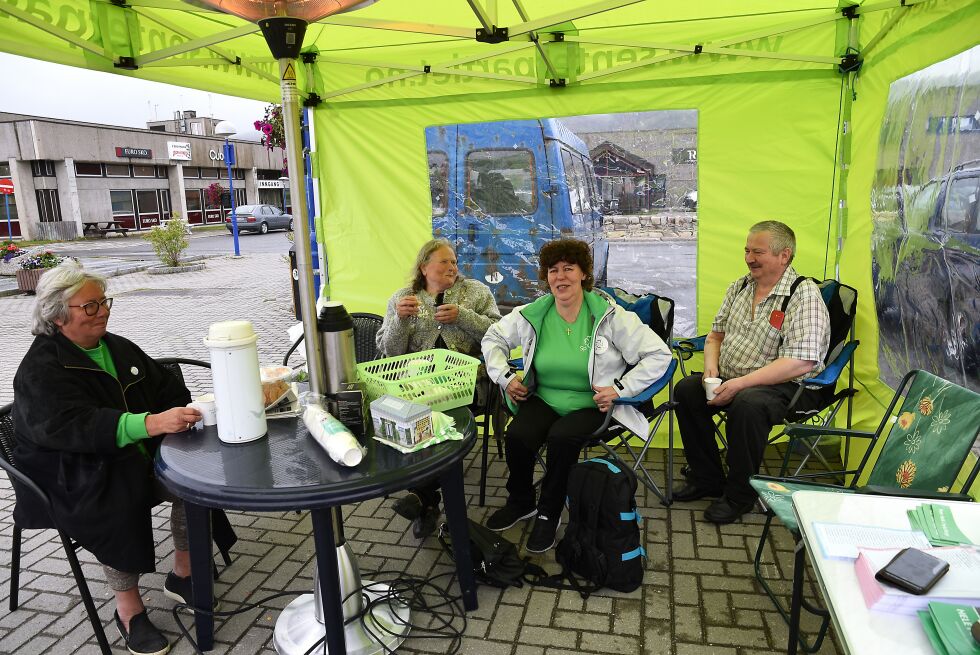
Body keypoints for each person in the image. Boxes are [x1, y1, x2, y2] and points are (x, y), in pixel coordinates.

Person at [12, 261, 233, 655]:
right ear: (57, 315)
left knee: (196, 476)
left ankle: (183, 573)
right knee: (115, 494)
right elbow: (73, 426)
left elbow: (166, 386)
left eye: (104, 302)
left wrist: (180, 416)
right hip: (69, 471)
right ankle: (128, 609)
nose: (104, 312)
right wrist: (150, 424)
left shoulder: (117, 347)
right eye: (91, 306)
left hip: (132, 455)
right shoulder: (40, 369)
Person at [481, 238, 672, 553]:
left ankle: (549, 512)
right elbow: (494, 336)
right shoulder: (534, 312)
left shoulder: (612, 317)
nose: (560, 277)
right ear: (546, 277)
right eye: (553, 270)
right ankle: (521, 502)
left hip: (594, 404)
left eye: (569, 269)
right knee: (518, 434)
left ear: (584, 274)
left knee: (561, 439)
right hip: (545, 397)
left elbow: (659, 355)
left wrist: (620, 389)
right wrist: (505, 376)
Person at [672, 220, 830, 524]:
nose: (748, 258)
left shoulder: (803, 295)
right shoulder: (741, 286)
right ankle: (707, 478)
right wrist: (710, 371)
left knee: (748, 404)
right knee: (688, 390)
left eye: (757, 252)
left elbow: (802, 362)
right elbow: (715, 335)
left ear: (784, 255)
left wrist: (740, 384)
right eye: (747, 250)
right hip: (736, 378)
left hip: (790, 387)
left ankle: (739, 496)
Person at [376, 238, 501, 538]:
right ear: (424, 266)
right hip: (417, 384)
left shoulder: (475, 292)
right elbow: (388, 351)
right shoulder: (404, 297)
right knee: (416, 416)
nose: (452, 266)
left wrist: (464, 316)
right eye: (444, 261)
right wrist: (400, 320)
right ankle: (428, 499)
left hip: (466, 382)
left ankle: (423, 499)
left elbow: (499, 334)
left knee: (430, 419)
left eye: (454, 261)